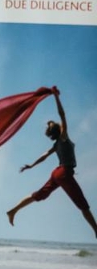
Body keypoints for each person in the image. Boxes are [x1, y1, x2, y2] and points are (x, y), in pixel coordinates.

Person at [6, 86, 97, 238]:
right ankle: (96, 231)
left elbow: (44, 155)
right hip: (64, 173)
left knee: (39, 195)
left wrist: (31, 165)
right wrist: (56, 97)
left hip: (57, 173)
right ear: (59, 129)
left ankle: (13, 210)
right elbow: (62, 114)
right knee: (83, 205)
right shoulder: (63, 137)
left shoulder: (56, 144)